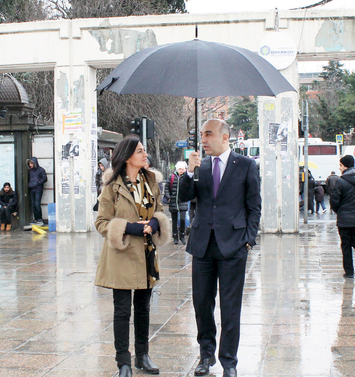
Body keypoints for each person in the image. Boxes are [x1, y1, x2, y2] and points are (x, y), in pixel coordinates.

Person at [179, 119, 261, 377]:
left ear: (225, 137)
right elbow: (184, 197)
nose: (203, 139)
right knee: (202, 304)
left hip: (233, 246)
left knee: (230, 306)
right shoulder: (200, 166)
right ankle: (206, 356)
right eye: (202, 134)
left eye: (209, 134)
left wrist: (248, 239)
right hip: (202, 245)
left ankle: (229, 361)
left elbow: (254, 206)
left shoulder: (246, 165)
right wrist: (189, 173)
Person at [95, 135, 169, 377]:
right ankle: (123, 363)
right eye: (139, 151)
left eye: (144, 150)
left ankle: (143, 356)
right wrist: (128, 227)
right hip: (122, 256)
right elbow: (101, 222)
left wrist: (156, 224)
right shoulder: (112, 186)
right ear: (127, 157)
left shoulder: (151, 182)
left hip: (147, 254)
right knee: (122, 311)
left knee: (143, 309)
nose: (144, 154)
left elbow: (158, 210)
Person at [329, 155, 355, 279]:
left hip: (344, 220)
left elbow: (334, 200)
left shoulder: (341, 181)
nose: (339, 168)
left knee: (346, 245)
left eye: (340, 165)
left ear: (345, 166)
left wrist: (339, 211)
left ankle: (349, 272)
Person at [165, 161, 189, 244]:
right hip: (173, 201)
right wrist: (169, 197)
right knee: (174, 220)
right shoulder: (171, 177)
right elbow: (167, 187)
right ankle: (175, 235)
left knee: (182, 219)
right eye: (179, 169)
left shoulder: (186, 177)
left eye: (182, 169)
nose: (181, 170)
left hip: (183, 201)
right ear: (177, 169)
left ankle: (182, 235)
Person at [27, 157, 47, 226]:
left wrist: (38, 183)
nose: (30, 165)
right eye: (29, 163)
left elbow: (44, 178)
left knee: (37, 204)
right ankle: (35, 218)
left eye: (31, 163)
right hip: (32, 189)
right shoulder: (30, 171)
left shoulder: (41, 170)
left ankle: (39, 219)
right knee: (33, 204)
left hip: (38, 189)